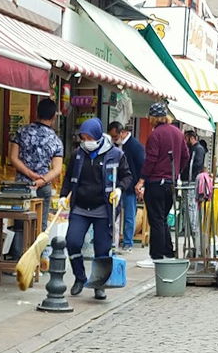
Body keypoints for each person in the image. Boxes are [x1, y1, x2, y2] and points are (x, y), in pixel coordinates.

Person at [61, 117, 122, 299]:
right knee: (72, 242)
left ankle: (99, 284)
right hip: (80, 207)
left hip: (103, 209)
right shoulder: (77, 154)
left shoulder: (115, 154)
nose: (86, 142)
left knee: (102, 248)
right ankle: (79, 277)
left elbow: (127, 176)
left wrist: (119, 189)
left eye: (89, 138)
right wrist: (64, 195)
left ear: (97, 136)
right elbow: (68, 177)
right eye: (83, 138)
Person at [137, 101, 188, 260]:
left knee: (156, 219)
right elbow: (186, 156)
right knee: (163, 217)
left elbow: (150, 160)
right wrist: (176, 171)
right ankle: (168, 250)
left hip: (156, 182)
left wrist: (141, 180)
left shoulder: (155, 135)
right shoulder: (178, 133)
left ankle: (157, 254)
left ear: (152, 118)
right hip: (171, 182)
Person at [9, 97, 66, 213]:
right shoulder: (55, 140)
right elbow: (57, 169)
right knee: (41, 226)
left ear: (37, 113)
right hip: (43, 186)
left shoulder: (21, 132)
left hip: (22, 184)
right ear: (53, 117)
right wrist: (42, 180)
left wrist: (30, 174)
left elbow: (13, 158)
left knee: (21, 225)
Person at [108, 120, 144, 247]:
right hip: (115, 185)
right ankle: (113, 241)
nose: (113, 139)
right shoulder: (114, 146)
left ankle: (128, 242)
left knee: (129, 216)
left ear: (122, 133)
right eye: (112, 137)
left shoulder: (134, 146)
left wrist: (140, 183)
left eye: (115, 137)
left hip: (130, 187)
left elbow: (142, 165)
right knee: (113, 215)